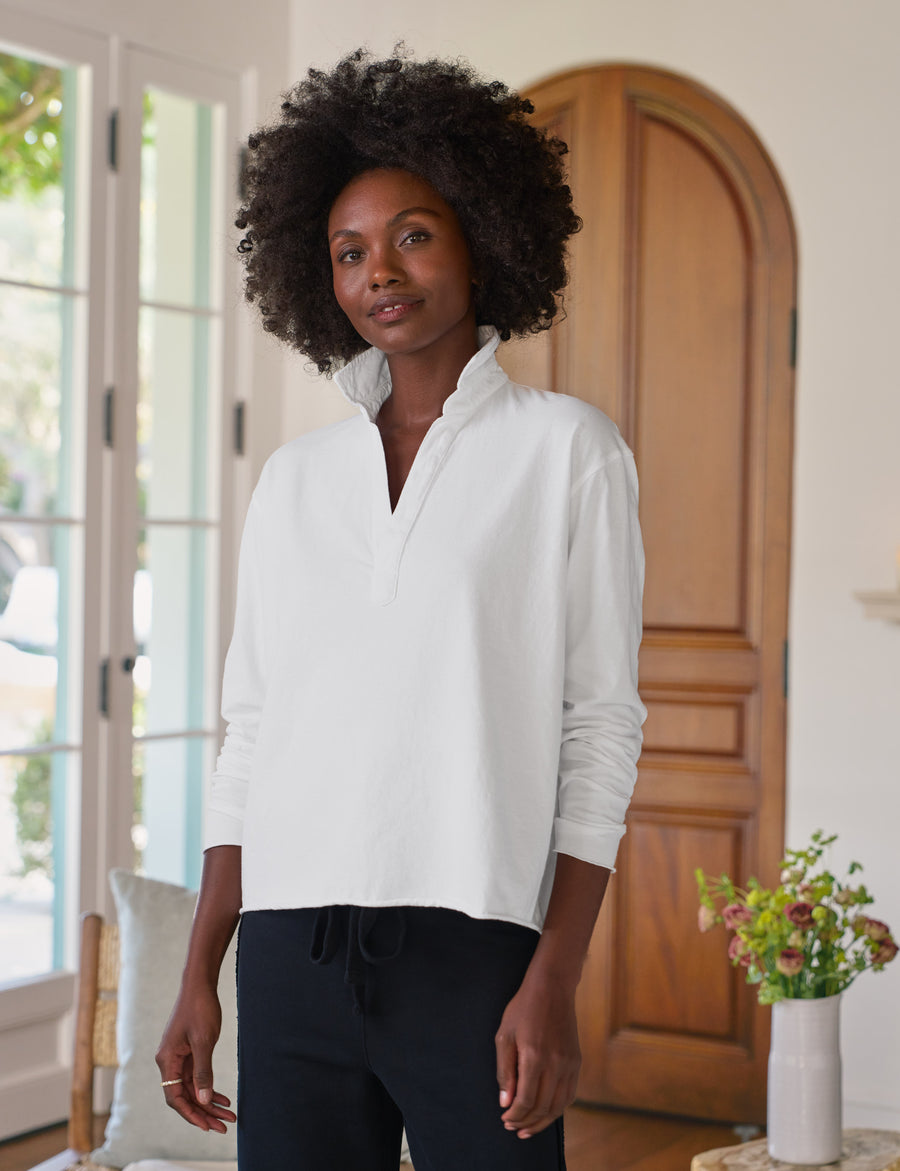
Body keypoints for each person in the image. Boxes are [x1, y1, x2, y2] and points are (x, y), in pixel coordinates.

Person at [155, 46, 647, 1171]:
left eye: (413, 234)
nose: (382, 271)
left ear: (481, 233)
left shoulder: (568, 452)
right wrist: (202, 970)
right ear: (316, 274)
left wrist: (553, 976)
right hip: (289, 958)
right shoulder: (294, 480)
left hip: (476, 953)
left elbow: (601, 728)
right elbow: (254, 734)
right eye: (349, 251)